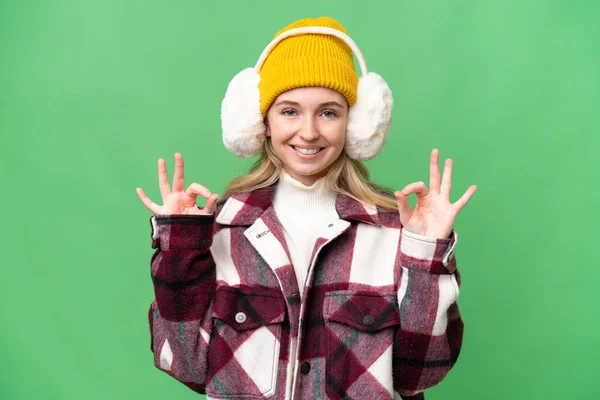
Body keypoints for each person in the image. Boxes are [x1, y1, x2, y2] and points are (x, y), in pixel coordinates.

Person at [136, 16, 477, 400]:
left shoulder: (396, 232)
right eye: (289, 111)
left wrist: (426, 254)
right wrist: (180, 246)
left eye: (329, 112)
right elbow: (185, 364)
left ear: (356, 124)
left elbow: (419, 375)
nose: (310, 131)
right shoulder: (221, 230)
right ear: (260, 121)